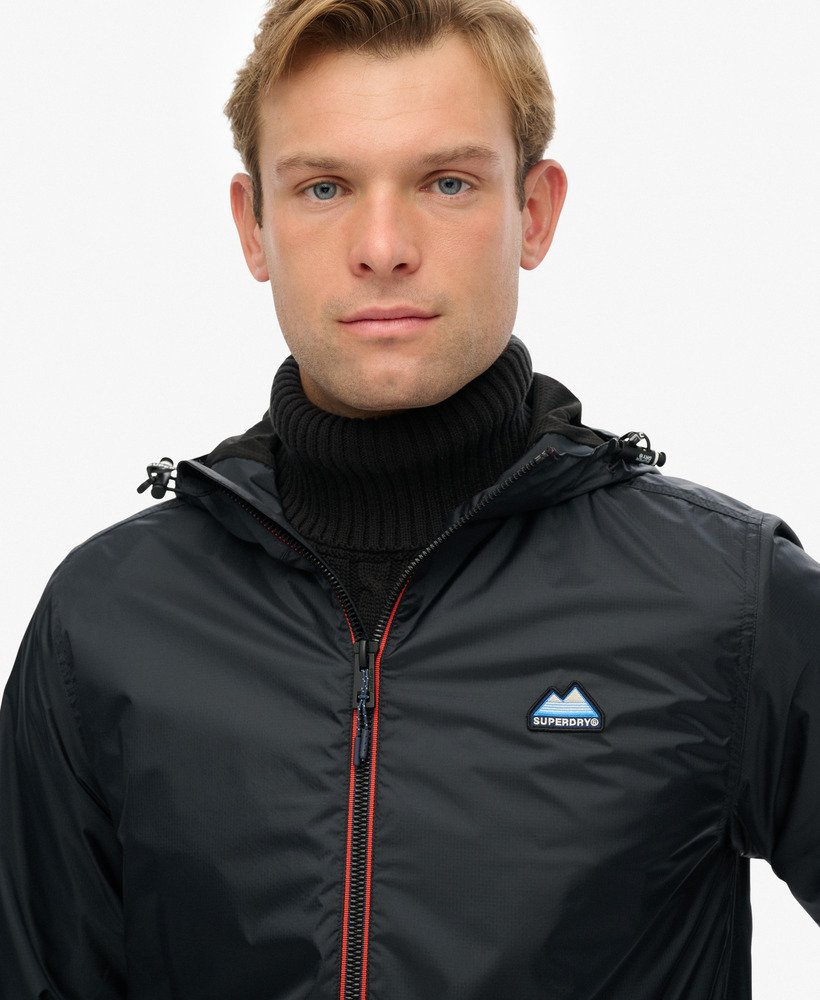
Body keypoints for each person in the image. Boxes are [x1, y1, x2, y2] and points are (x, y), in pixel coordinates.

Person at [1, 0, 818, 997]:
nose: (382, 245)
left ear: (534, 211)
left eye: (446, 182)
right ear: (253, 226)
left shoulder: (725, 599)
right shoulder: (107, 620)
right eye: (325, 187)